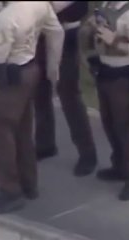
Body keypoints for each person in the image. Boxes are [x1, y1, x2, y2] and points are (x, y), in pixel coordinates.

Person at [0, 0, 64, 215]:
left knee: (2, 131)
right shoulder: (39, 4)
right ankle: (29, 182)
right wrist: (53, 68)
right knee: (23, 130)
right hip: (31, 68)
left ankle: (10, 190)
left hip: (11, 75)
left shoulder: (7, 19)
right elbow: (56, 31)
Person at [83, 1, 129, 202]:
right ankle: (119, 165)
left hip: (123, 76)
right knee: (108, 122)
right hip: (104, 71)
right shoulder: (106, 5)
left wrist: (115, 42)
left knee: (125, 126)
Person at [33, 1, 97, 176]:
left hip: (66, 34)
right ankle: (44, 144)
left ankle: (87, 153)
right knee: (39, 91)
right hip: (38, 34)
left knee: (68, 94)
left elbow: (71, 8)